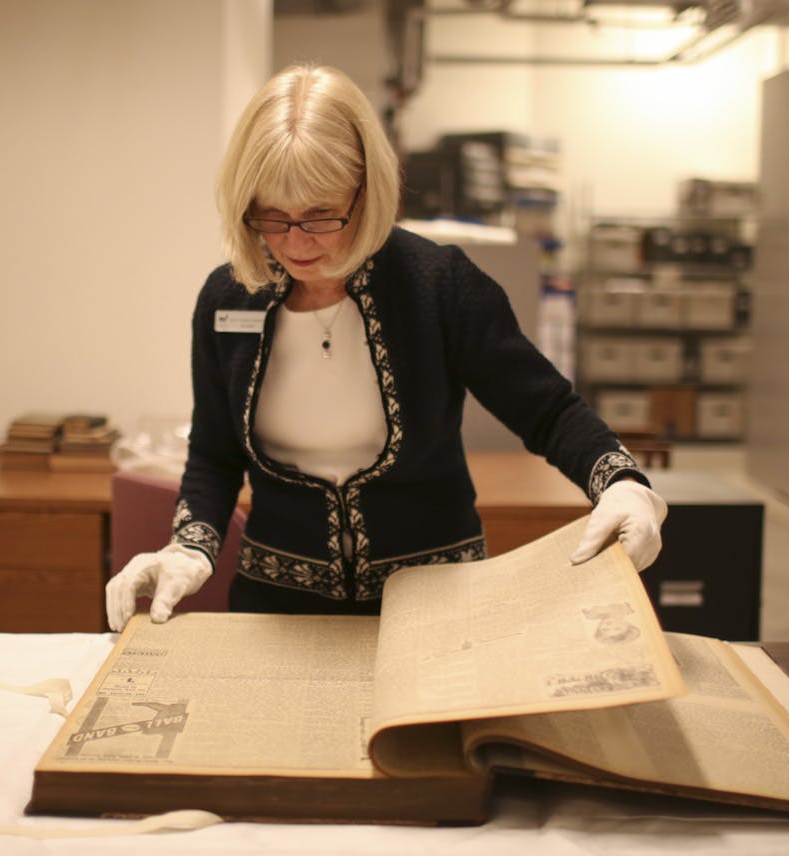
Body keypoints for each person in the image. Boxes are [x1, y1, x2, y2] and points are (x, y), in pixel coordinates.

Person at [105, 64, 666, 632]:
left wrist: (620, 482)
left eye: (322, 215)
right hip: (276, 607)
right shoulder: (229, 299)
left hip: (435, 605)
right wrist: (190, 547)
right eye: (272, 216)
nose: (295, 243)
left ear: (367, 191)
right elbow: (214, 454)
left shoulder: (440, 287)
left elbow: (547, 411)